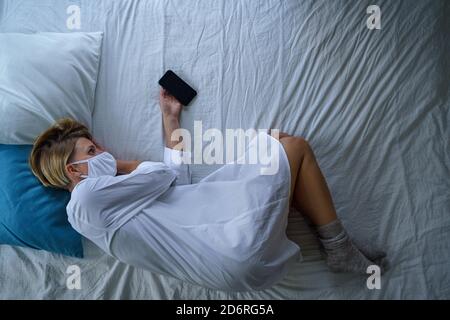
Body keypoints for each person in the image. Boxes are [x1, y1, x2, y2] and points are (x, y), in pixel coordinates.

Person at [29, 88, 386, 292]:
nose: (103, 152)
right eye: (93, 151)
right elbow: (161, 176)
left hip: (232, 265)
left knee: (278, 146)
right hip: (231, 245)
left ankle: (329, 238)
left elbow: (176, 182)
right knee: (295, 148)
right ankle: (338, 246)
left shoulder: (107, 211)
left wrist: (170, 118)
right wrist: (120, 165)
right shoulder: (84, 202)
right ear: (73, 171)